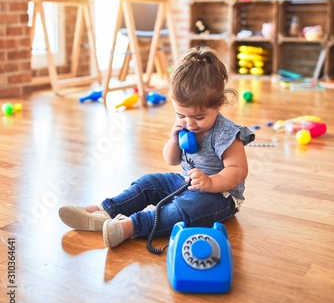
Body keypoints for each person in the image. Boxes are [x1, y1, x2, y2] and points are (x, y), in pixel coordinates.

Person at [59, 46, 255, 250]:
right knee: (148, 183)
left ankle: (130, 227)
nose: (189, 123)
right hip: (185, 182)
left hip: (220, 197)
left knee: (184, 209)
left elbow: (238, 171)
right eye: (181, 115)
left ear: (218, 105)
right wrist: (173, 140)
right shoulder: (185, 126)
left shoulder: (226, 133)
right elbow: (172, 159)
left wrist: (210, 182)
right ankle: (104, 211)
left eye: (199, 117)